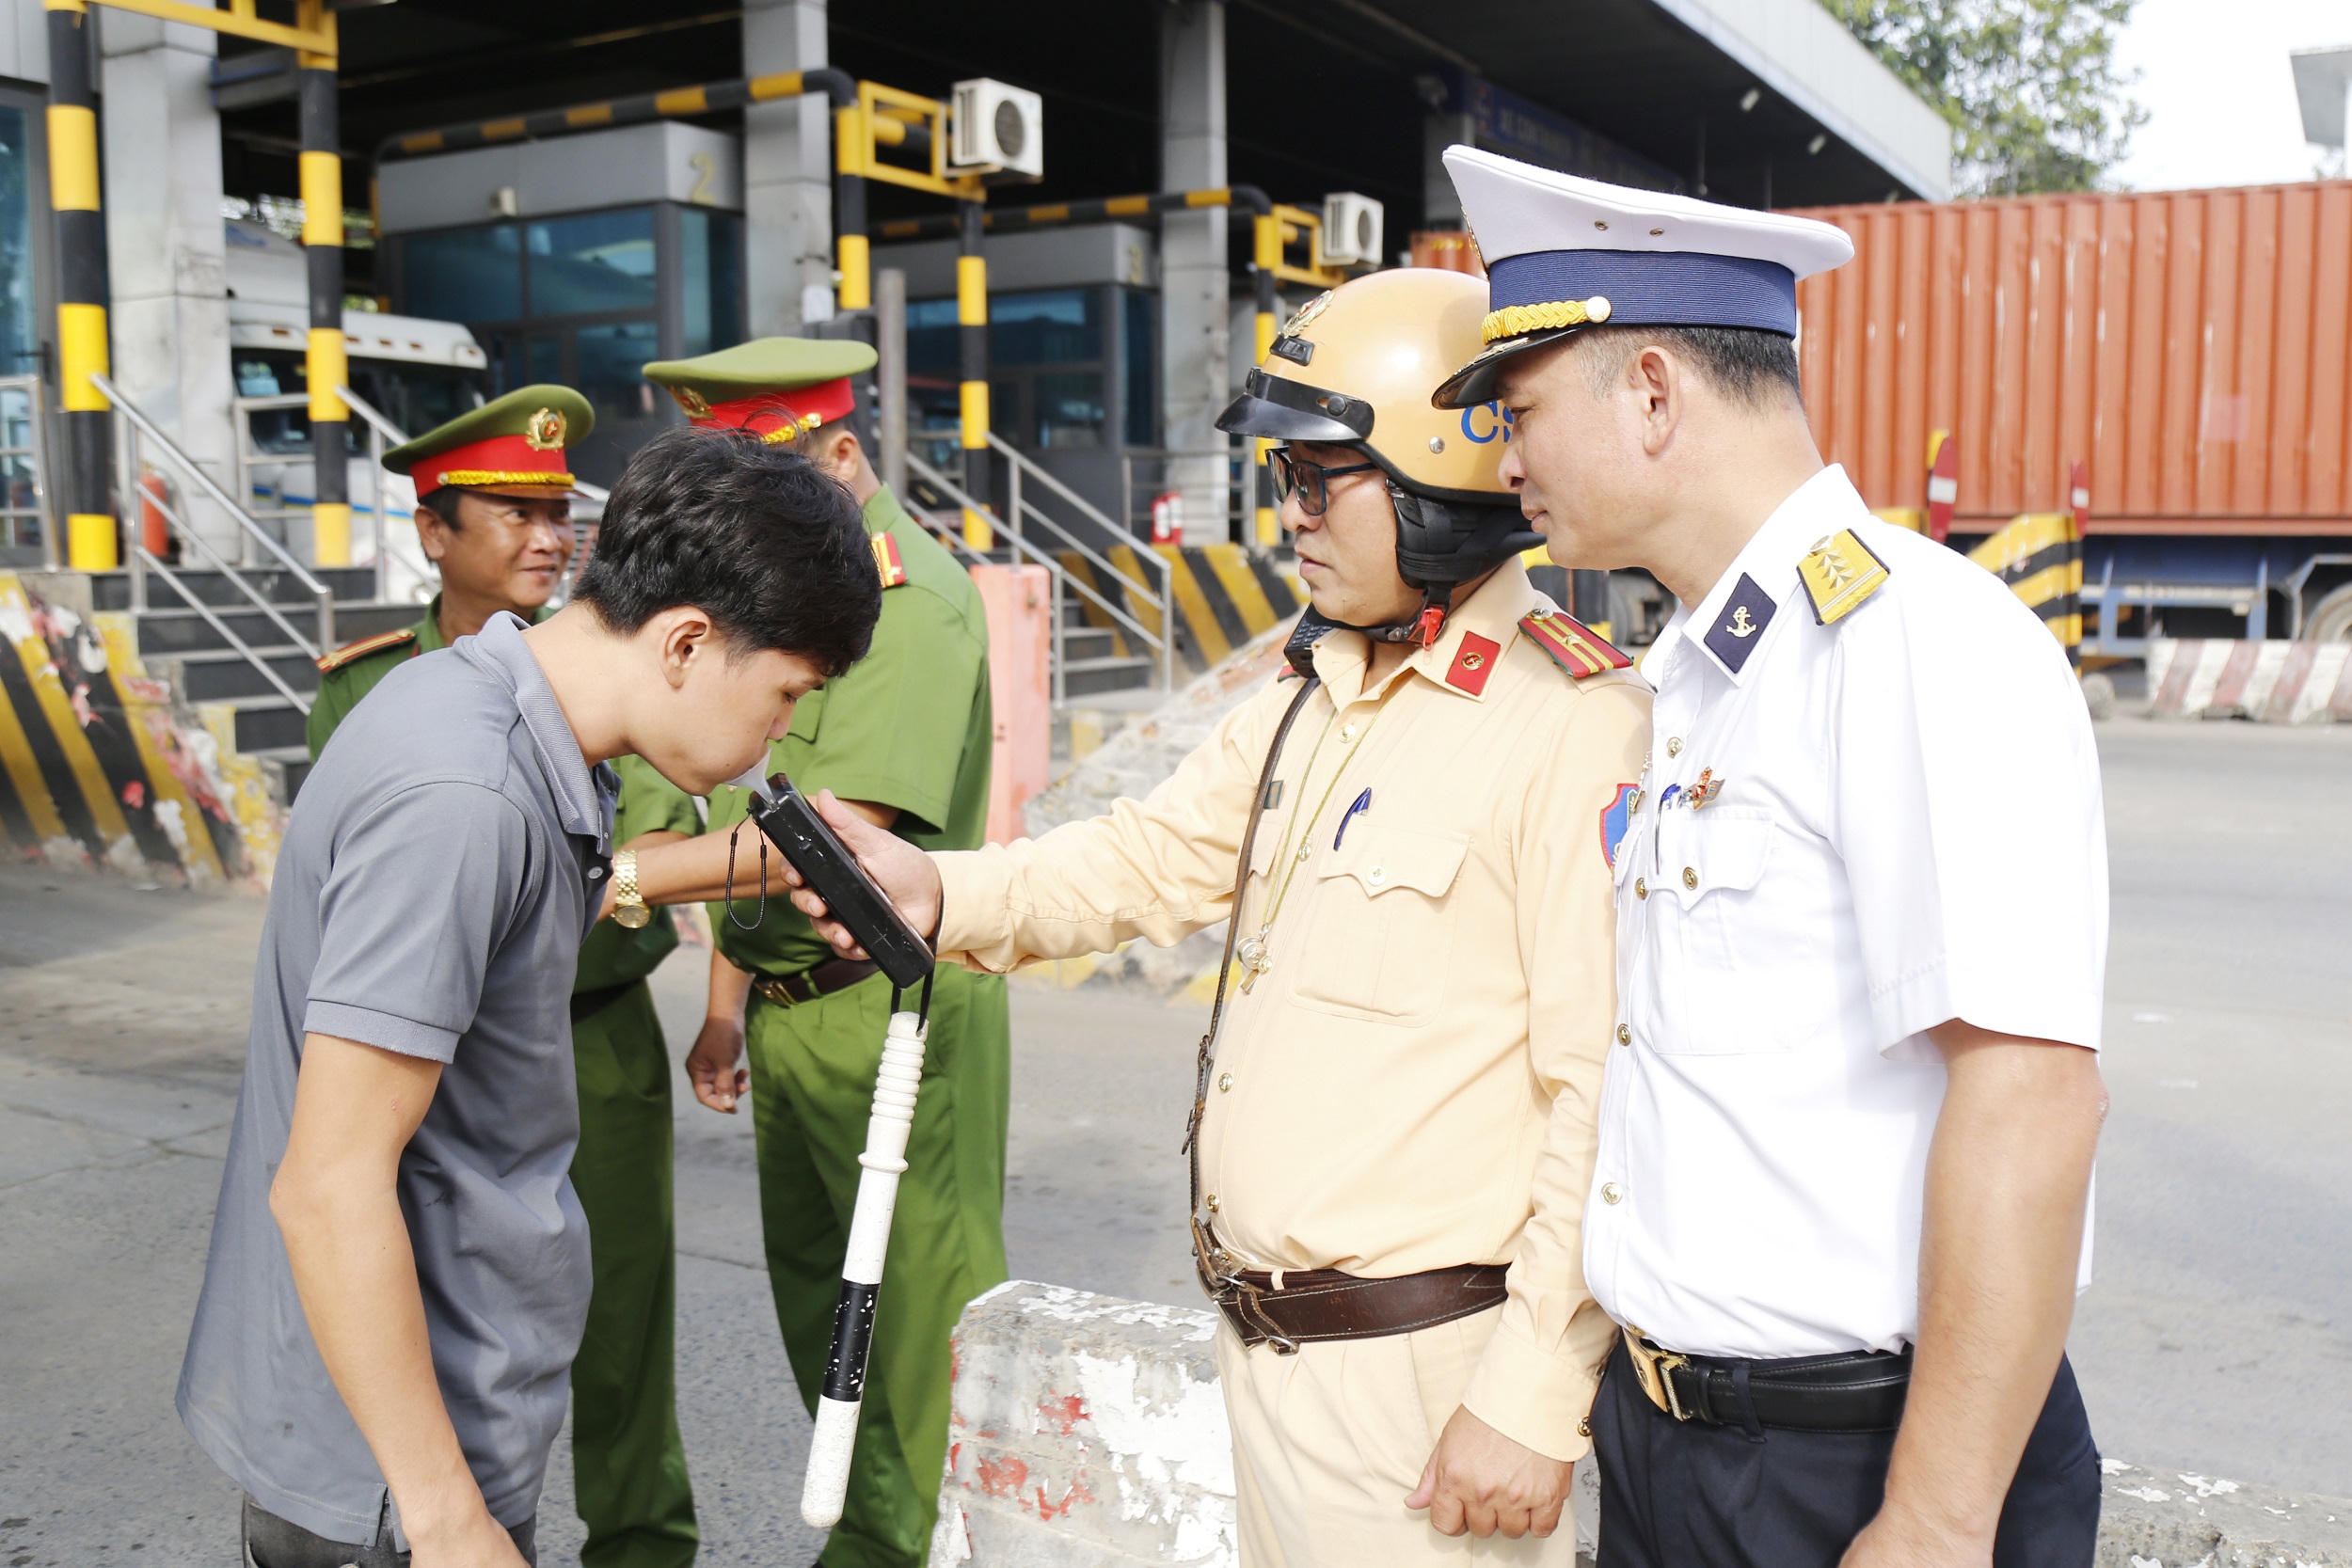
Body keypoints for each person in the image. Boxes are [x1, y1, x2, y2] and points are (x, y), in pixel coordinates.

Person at [787, 268, 1650, 1564]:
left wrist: (1531, 1395)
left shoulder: (1572, 724)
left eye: (1317, 477)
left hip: (1428, 1386)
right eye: (1280, 477)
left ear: (1436, 481)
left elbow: (1603, 1096)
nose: (1288, 512)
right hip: (1271, 1358)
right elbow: (1147, 856)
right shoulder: (1317, 688)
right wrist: (939, 888)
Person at [1434, 146, 2110, 1567]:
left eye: (1522, 410)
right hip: (1672, 1442)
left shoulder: (1913, 642)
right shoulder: (1700, 670)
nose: (1507, 463)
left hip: (1854, 1465)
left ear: (1654, 392)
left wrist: (1934, 1517)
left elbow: (2030, 1091)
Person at [178, 427, 882, 1568]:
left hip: (419, 1431)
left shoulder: (494, 709)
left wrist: (767, 859)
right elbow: (328, 1183)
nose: (780, 732)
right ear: (687, 640)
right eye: (786, 692)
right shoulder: (467, 789)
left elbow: (555, 901)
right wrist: (448, 1519)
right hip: (394, 1484)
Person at [308, 388, 707, 1568]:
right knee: (428, 1310)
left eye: (557, 512)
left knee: (621, 1323)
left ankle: (640, 1546)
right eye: (514, 512)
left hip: (591, 1035)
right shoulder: (366, 685)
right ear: (434, 532)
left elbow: (637, 847)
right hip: (428, 1048)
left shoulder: (608, 672)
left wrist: (608, 883)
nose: (548, 536)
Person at [636, 337, 1009, 1568]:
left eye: (766, 481)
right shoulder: (800, 595)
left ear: (840, 455)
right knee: (823, 1318)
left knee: (916, 1329)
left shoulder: (910, 602)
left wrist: (626, 874)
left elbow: (835, 839)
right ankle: (869, 1534)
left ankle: (939, 1547)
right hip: (792, 999)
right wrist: (726, 1001)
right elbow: (766, 801)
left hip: (884, 1003)